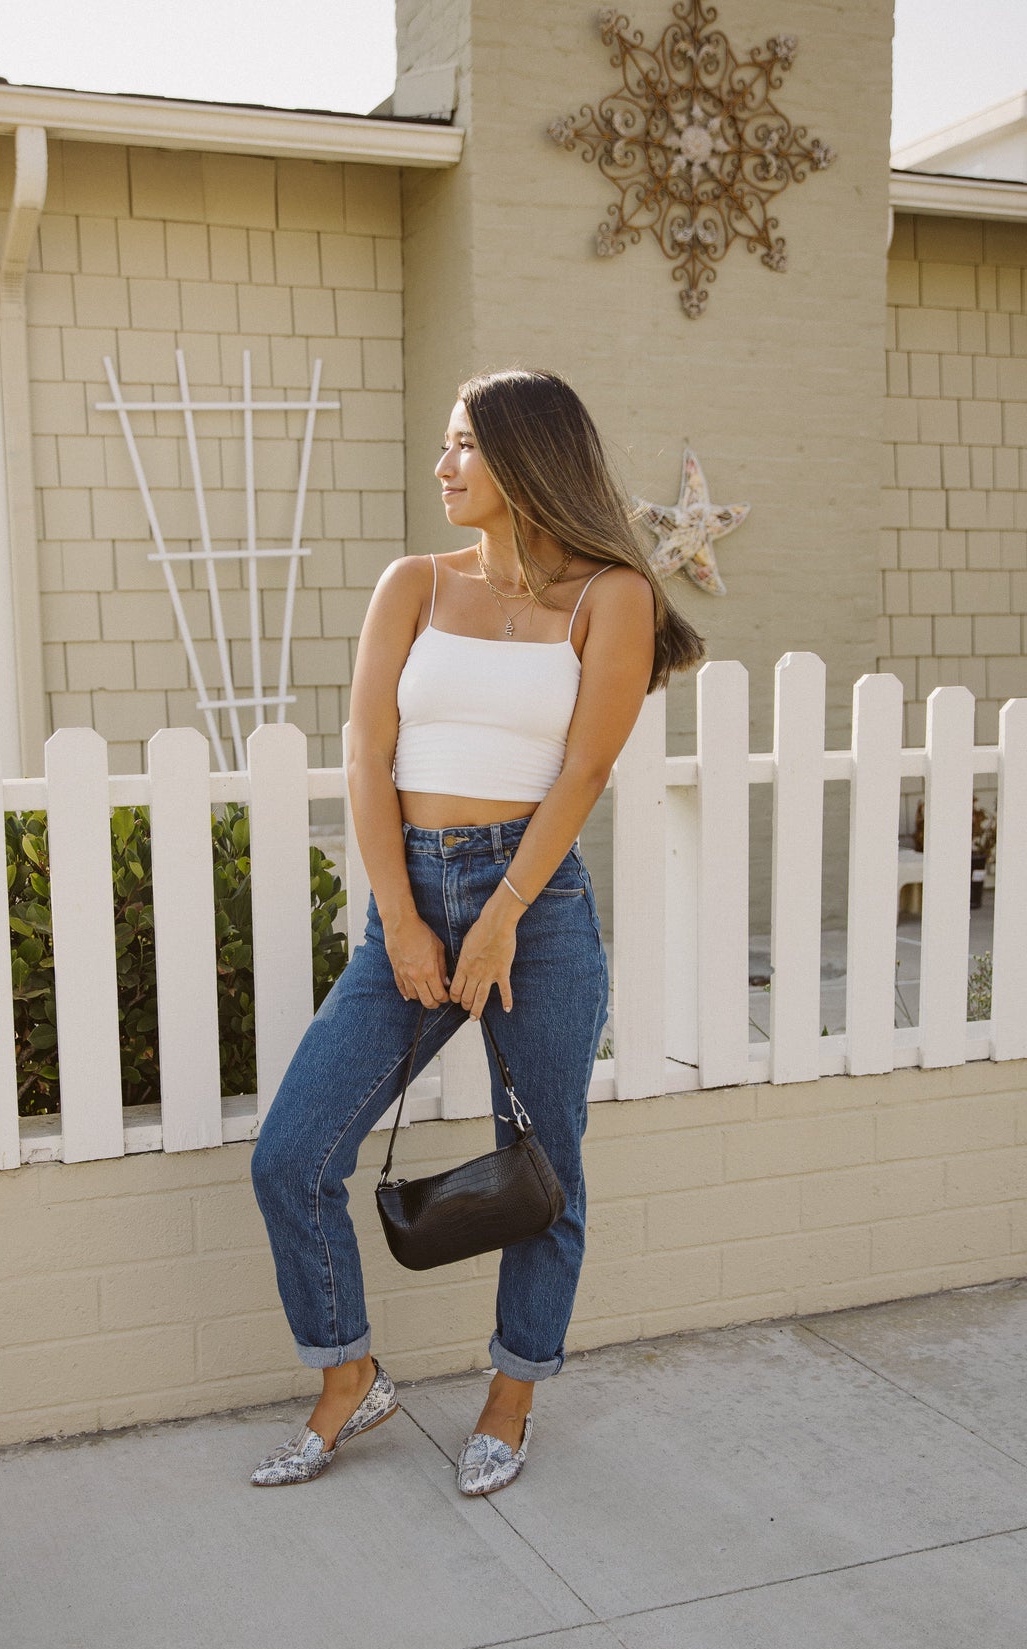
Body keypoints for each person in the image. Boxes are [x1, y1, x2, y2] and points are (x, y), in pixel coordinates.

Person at [249, 368, 704, 1494]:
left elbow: (585, 769)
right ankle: (350, 1376)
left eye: (465, 445)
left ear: (527, 457)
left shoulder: (612, 598)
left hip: (534, 910)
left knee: (544, 1167)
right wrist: (404, 920)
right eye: (448, 443)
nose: (444, 464)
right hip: (409, 895)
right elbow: (366, 755)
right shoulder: (413, 583)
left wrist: (499, 918)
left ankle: (511, 1396)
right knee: (292, 1156)